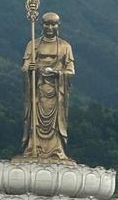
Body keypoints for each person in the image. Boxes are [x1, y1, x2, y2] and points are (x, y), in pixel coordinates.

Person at [18, 10, 75, 163]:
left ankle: (56, 150)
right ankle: (33, 147)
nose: (50, 28)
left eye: (53, 24)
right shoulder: (33, 44)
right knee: (35, 122)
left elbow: (71, 71)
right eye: (46, 24)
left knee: (55, 124)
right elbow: (25, 67)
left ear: (58, 25)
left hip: (56, 92)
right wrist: (30, 69)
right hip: (38, 91)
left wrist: (57, 73)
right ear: (41, 25)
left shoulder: (65, 46)